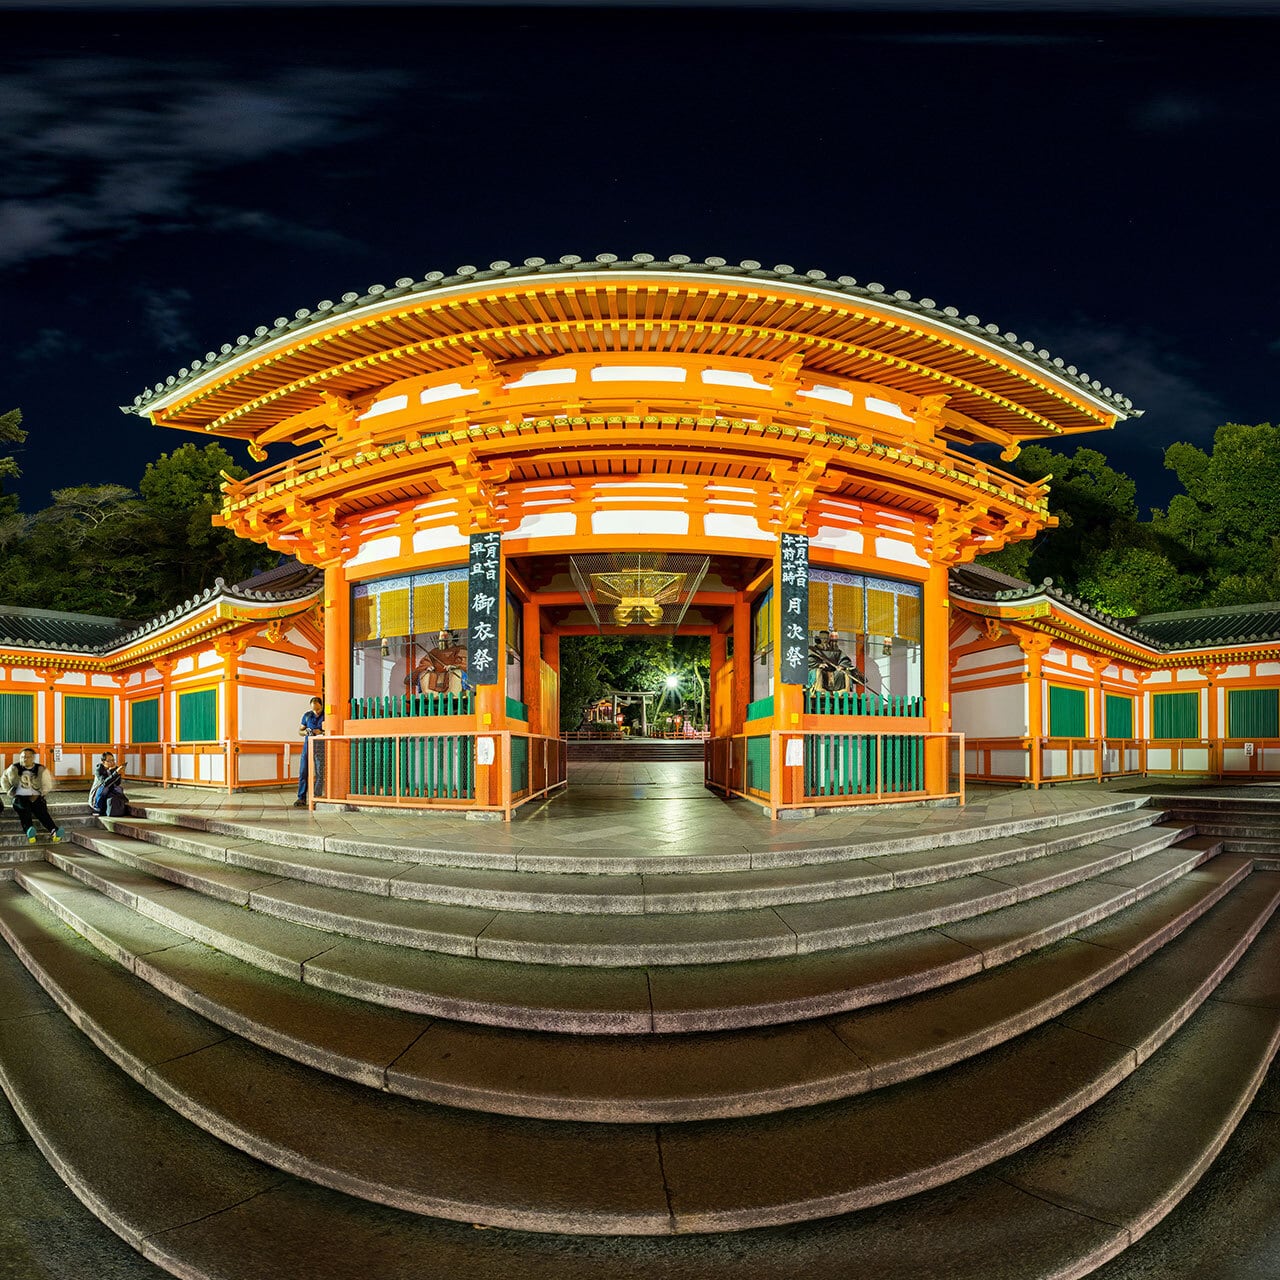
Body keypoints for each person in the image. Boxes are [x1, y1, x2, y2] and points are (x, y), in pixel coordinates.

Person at [2, 748, 63, 843]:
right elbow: (4, 780)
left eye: (27, 757)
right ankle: (29, 830)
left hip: (36, 796)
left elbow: (48, 784)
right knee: (24, 809)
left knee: (41, 810)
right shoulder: (13, 768)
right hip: (19, 797)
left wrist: (40, 793)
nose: (25, 759)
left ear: (33, 758)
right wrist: (11, 792)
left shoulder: (40, 769)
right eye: (22, 757)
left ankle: (54, 830)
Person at [294, 696, 325, 808]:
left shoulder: (326, 716)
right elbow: (300, 731)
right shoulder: (307, 716)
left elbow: (330, 731)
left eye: (318, 709)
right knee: (303, 772)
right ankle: (301, 798)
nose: (316, 712)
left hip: (320, 748)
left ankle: (317, 797)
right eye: (314, 709)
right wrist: (307, 732)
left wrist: (320, 732)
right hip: (307, 747)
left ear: (322, 706)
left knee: (319, 773)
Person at [89, 751, 128, 818]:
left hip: (109, 792)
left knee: (119, 789)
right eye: (109, 761)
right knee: (104, 788)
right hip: (98, 793)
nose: (112, 762)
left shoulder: (115, 768)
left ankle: (116, 806)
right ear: (103, 762)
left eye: (113, 760)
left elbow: (117, 783)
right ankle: (97, 808)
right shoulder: (99, 769)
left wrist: (117, 773)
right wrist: (115, 773)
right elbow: (104, 783)